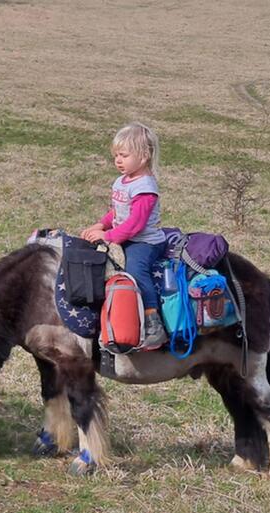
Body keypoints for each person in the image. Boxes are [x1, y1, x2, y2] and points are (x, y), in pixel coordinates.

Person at [80, 122, 169, 350]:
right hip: (124, 235)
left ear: (144, 155)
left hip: (144, 242)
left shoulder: (145, 187)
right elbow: (117, 211)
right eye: (116, 155)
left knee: (135, 270)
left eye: (124, 155)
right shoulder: (122, 181)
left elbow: (135, 225)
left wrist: (107, 236)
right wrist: (100, 224)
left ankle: (153, 321)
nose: (118, 160)